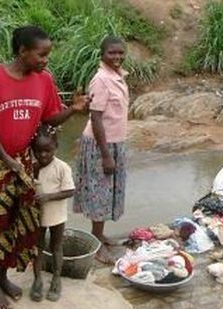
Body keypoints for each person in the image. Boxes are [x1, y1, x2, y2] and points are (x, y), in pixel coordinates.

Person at [0, 25, 87, 309]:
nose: (46, 60)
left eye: (48, 54)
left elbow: (50, 119)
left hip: (24, 163)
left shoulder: (44, 80)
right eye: (41, 54)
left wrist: (73, 109)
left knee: (18, 221)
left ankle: (4, 275)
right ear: (22, 51)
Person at [73, 36, 130, 264]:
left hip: (115, 142)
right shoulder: (101, 80)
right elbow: (95, 118)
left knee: (108, 192)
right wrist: (106, 155)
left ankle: (100, 234)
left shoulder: (118, 77)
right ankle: (96, 244)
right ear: (102, 55)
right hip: (101, 145)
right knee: (100, 194)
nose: (116, 57)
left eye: (120, 53)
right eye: (111, 53)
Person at [30, 126, 75, 302]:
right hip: (38, 216)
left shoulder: (62, 167)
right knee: (38, 247)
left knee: (56, 247)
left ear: (56, 147)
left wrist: (48, 197)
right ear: (33, 150)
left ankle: (56, 279)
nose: (43, 155)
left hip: (57, 215)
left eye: (47, 151)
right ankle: (37, 280)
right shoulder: (33, 168)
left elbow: (70, 191)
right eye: (38, 151)